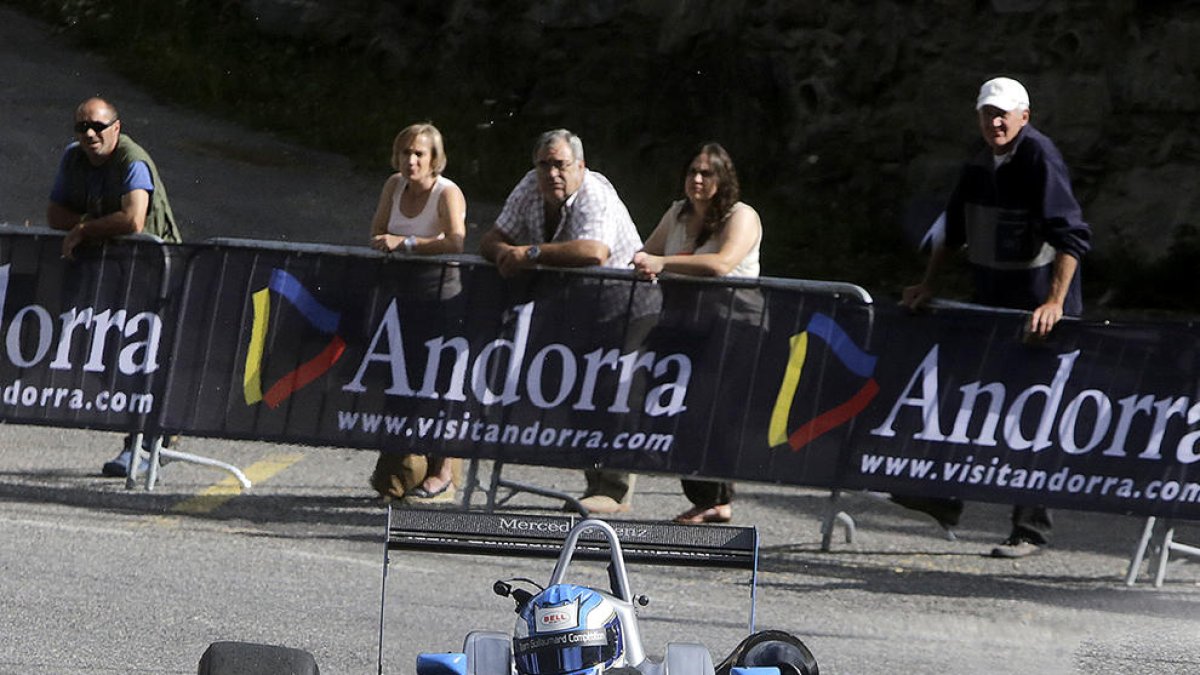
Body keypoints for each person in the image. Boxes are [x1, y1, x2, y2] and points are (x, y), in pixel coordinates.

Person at [898, 76, 1092, 558]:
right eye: (988, 113)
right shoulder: (978, 162)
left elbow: (1072, 238)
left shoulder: (1039, 157)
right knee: (967, 400)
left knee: (1035, 417)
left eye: (1004, 113)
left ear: (1025, 116)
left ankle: (1030, 531)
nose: (995, 121)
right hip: (991, 306)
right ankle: (943, 498)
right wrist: (928, 285)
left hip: (1040, 313)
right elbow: (952, 231)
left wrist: (1053, 304)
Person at [480, 129, 644, 515]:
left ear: (580, 167)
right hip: (580, 303)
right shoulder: (529, 185)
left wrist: (529, 253)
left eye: (560, 165)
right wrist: (507, 251)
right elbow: (492, 239)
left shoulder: (595, 194)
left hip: (625, 300)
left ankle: (615, 491)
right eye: (544, 164)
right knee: (579, 390)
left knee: (612, 391)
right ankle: (594, 483)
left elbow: (594, 252)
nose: (551, 173)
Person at [46, 96, 182, 477]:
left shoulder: (131, 159)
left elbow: (134, 219)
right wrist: (87, 222)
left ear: (116, 128)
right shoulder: (74, 157)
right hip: (109, 271)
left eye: (98, 127)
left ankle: (146, 444)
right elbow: (54, 213)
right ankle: (155, 436)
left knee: (140, 359)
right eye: (81, 127)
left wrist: (85, 227)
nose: (89, 134)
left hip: (152, 272)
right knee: (101, 354)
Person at [632, 143, 763, 524]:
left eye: (707, 173)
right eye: (693, 171)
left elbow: (722, 264)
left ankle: (715, 499)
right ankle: (707, 495)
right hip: (682, 321)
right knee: (671, 406)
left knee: (707, 409)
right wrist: (645, 262)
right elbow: (647, 252)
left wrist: (662, 262)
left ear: (724, 179)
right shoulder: (677, 213)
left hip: (732, 324)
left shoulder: (742, 216)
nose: (698, 179)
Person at [366, 122, 467, 505]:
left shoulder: (447, 192)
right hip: (400, 297)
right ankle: (396, 476)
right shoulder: (393, 186)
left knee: (440, 387)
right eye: (406, 152)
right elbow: (377, 233)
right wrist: (389, 243)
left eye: (419, 154)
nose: (411, 161)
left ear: (433, 159)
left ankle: (444, 475)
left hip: (441, 300)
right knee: (399, 384)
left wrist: (406, 243)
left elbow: (456, 241)